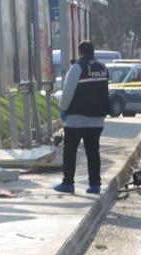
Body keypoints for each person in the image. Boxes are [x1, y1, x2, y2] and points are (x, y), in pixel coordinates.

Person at [54, 41, 109, 194]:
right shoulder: (103, 68)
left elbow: (67, 92)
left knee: (70, 151)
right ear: (93, 52)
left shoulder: (77, 68)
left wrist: (63, 109)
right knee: (93, 152)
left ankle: (68, 183)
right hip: (97, 120)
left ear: (80, 52)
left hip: (76, 120)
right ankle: (95, 184)